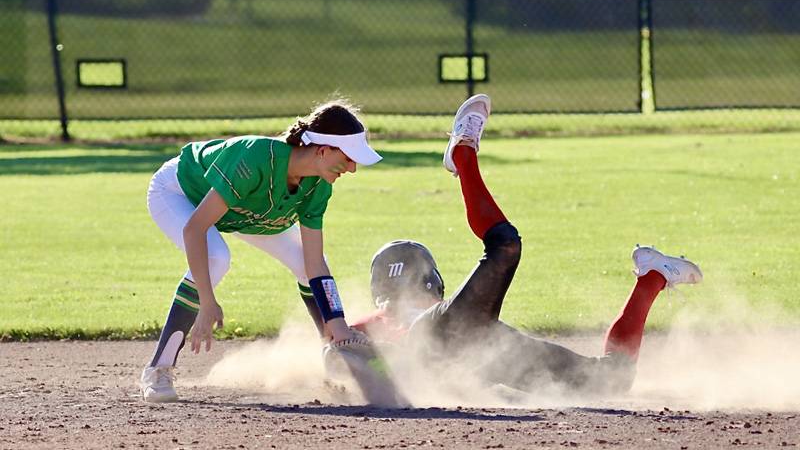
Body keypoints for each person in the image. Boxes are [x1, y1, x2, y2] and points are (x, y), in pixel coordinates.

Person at [349, 94, 703, 398]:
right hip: (474, 341)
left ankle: (463, 155)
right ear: (434, 281)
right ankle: (652, 277)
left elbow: (340, 359)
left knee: (505, 247)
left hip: (468, 338)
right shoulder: (393, 321)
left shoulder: (371, 325)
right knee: (610, 379)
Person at [141, 99, 380, 403]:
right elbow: (194, 228)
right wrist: (206, 300)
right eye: (348, 158)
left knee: (305, 264)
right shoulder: (255, 158)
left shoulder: (318, 186)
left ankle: (334, 357)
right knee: (217, 257)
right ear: (322, 150)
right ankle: (158, 370)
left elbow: (315, 261)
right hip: (181, 193)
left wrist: (338, 323)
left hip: (244, 209)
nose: (353, 168)